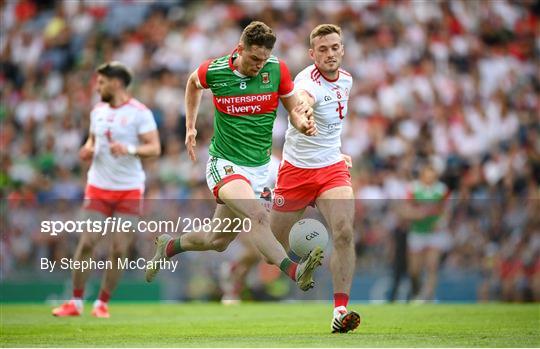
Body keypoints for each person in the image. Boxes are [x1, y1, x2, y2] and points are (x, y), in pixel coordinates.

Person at [145, 21, 324, 292]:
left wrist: (303, 124)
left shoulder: (276, 70)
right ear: (239, 49)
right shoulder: (215, 70)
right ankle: (294, 270)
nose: (258, 65)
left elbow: (293, 111)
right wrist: (190, 126)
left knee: (217, 240)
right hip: (225, 164)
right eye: (253, 58)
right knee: (258, 216)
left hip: (259, 169)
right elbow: (193, 83)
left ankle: (169, 245)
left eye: (263, 59)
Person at [221, 24, 360, 333]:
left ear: (342, 50)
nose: (329, 54)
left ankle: (340, 310)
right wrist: (305, 115)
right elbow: (303, 101)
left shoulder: (347, 80)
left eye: (334, 48)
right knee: (271, 251)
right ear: (312, 55)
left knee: (344, 232)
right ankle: (236, 268)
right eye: (322, 50)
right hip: (296, 173)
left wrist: (338, 153)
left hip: (331, 169)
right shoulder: (304, 81)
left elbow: (332, 129)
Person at [52, 62, 161, 318]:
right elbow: (93, 138)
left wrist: (130, 149)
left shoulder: (139, 113)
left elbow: (154, 148)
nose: (97, 87)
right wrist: (87, 148)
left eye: (101, 82)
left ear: (117, 83)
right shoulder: (97, 111)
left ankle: (102, 303)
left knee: (119, 250)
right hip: (98, 187)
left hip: (129, 189)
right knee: (88, 242)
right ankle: (75, 302)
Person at [399, 163, 450, 302]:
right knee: (414, 269)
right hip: (417, 232)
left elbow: (446, 210)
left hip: (435, 233)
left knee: (432, 265)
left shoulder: (441, 189)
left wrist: (441, 221)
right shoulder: (413, 188)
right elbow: (404, 210)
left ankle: (429, 297)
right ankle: (417, 293)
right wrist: (418, 214)